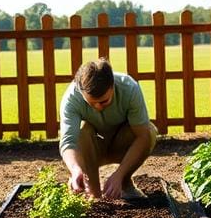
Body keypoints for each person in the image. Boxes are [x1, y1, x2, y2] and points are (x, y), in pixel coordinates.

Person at [59, 58, 158, 200]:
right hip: (92, 148)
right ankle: (92, 193)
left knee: (149, 131)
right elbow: (68, 142)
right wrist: (75, 170)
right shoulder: (72, 98)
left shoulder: (129, 87)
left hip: (121, 143)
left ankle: (124, 183)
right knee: (82, 129)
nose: (98, 107)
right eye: (91, 103)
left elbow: (143, 136)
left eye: (104, 101)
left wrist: (119, 174)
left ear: (113, 86)